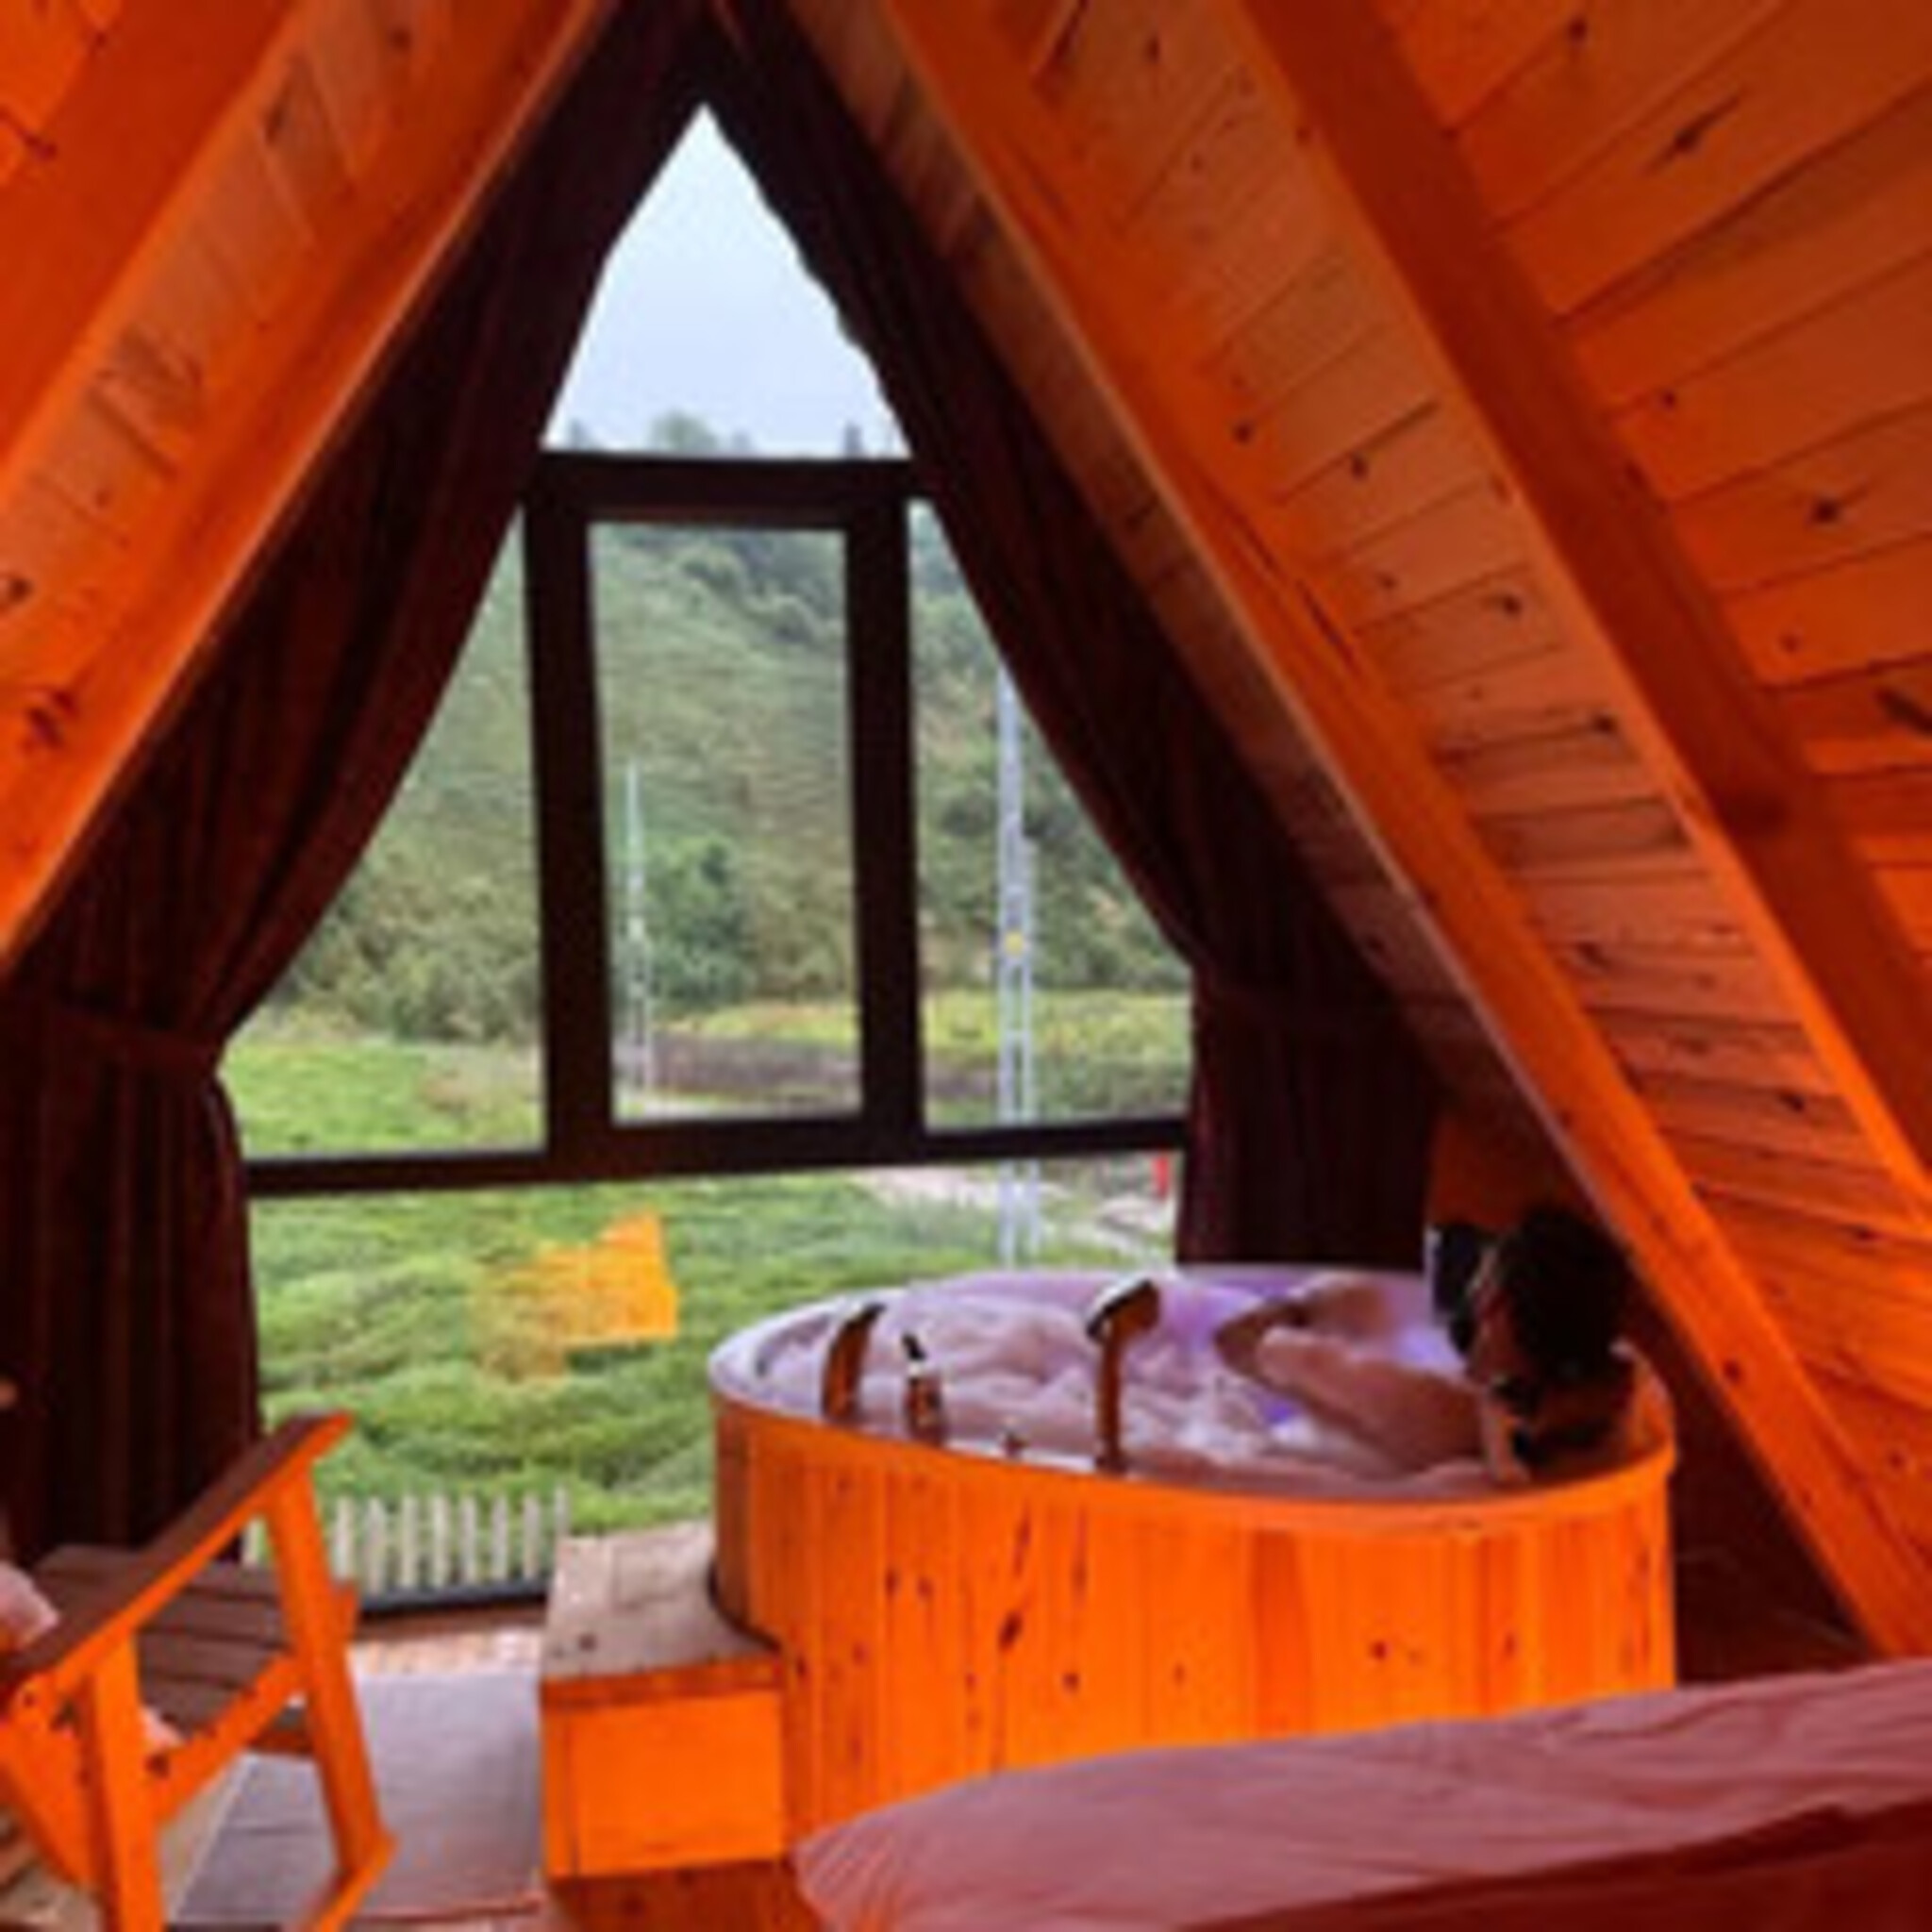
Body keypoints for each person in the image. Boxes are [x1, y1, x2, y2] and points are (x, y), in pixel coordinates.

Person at [1212, 1205, 1638, 1483]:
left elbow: (1232, 1342)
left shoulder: (1426, 1405)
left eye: (1487, 1263)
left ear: (1495, 1299)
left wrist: (1298, 1306)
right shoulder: (1568, 1428)